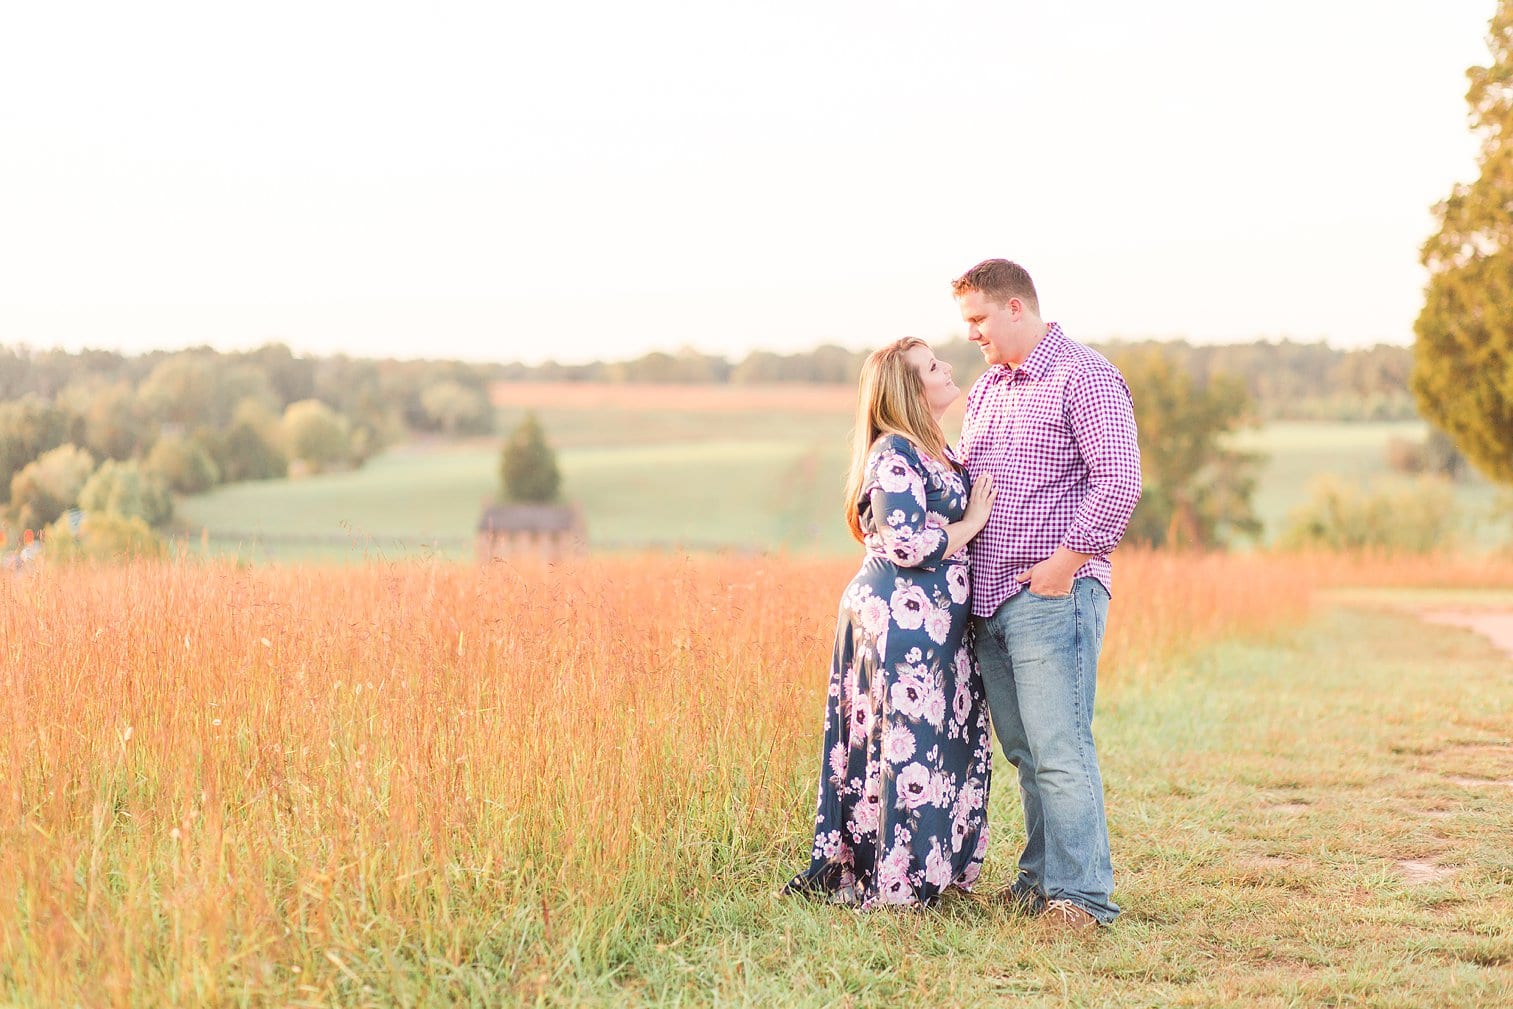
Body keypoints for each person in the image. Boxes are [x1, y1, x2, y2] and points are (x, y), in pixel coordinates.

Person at [953, 259, 1142, 932]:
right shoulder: (985, 391)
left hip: (1050, 594)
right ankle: (1037, 884)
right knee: (1026, 752)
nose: (969, 332)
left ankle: (1084, 899)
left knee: (1060, 748)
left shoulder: (1082, 376)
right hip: (989, 602)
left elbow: (1118, 480)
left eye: (976, 318)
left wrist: (1064, 564)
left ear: (1013, 308)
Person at [785, 337, 998, 908]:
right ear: (909, 389)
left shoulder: (930, 448)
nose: (947, 368)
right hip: (899, 627)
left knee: (934, 743)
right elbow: (906, 543)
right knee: (905, 747)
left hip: (933, 631)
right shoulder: (893, 454)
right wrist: (973, 520)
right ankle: (895, 882)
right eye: (932, 366)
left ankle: (928, 873)